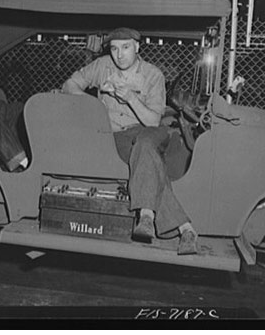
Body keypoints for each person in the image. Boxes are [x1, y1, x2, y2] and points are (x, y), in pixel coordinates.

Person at [62, 27, 198, 255]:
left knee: (145, 145)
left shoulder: (152, 74)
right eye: (114, 49)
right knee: (150, 163)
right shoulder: (103, 66)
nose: (119, 55)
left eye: (126, 48)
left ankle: (146, 215)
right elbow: (69, 86)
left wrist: (130, 98)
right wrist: (93, 104)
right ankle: (186, 229)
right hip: (116, 136)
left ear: (137, 47)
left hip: (148, 131)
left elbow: (153, 121)